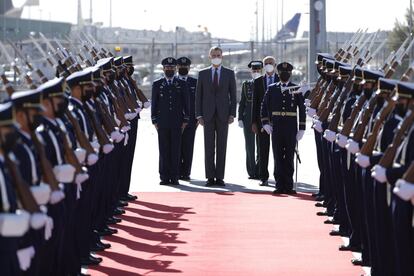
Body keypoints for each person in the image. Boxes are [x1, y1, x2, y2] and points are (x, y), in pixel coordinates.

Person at [261, 62, 306, 194]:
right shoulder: (272, 88)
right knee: (278, 156)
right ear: (278, 74)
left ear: (290, 74)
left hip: (291, 126)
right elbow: (264, 106)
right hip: (277, 126)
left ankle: (289, 184)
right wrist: (265, 123)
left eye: (287, 73)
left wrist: (302, 128)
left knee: (290, 156)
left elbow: (302, 109)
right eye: (282, 73)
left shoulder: (295, 88)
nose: (284, 75)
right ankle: (279, 184)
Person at [195, 46, 237, 186]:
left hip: (224, 115)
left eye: (218, 55)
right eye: (213, 55)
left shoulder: (229, 73)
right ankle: (210, 177)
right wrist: (199, 115)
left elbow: (233, 95)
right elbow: (198, 96)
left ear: (222, 56)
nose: (216, 57)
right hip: (207, 115)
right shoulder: (202, 74)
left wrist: (232, 114)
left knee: (221, 146)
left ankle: (219, 177)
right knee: (208, 146)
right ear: (209, 57)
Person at [151, 57, 189, 186]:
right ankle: (164, 176)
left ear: (175, 69)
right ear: (163, 69)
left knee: (175, 149)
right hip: (162, 122)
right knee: (164, 149)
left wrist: (186, 119)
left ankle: (174, 176)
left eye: (172, 68)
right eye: (167, 68)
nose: (170, 70)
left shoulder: (181, 84)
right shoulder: (157, 84)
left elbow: (186, 103)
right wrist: (154, 120)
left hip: (177, 122)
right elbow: (154, 104)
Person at [252, 56, 279, 186]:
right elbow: (255, 104)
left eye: (271, 63)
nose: (269, 65)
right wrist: (253, 122)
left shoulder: (281, 80)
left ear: (275, 65)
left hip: (278, 121)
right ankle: (263, 176)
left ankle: (279, 175)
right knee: (263, 150)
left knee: (278, 150)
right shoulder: (258, 82)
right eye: (266, 63)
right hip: (262, 121)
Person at [238, 60, 262, 179]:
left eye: (258, 70)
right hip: (247, 118)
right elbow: (242, 102)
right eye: (254, 70)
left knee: (261, 145)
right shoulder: (246, 84)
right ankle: (251, 171)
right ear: (250, 71)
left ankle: (259, 169)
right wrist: (240, 118)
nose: (256, 72)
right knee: (249, 145)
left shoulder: (264, 83)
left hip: (261, 117)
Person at [177, 57, 198, 181]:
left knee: (188, 147)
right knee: (176, 146)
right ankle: (177, 170)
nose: (183, 68)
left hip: (191, 121)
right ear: (177, 67)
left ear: (189, 68)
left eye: (185, 67)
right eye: (181, 66)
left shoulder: (195, 82)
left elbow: (198, 102)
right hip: (176, 121)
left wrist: (197, 119)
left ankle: (186, 172)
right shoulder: (174, 81)